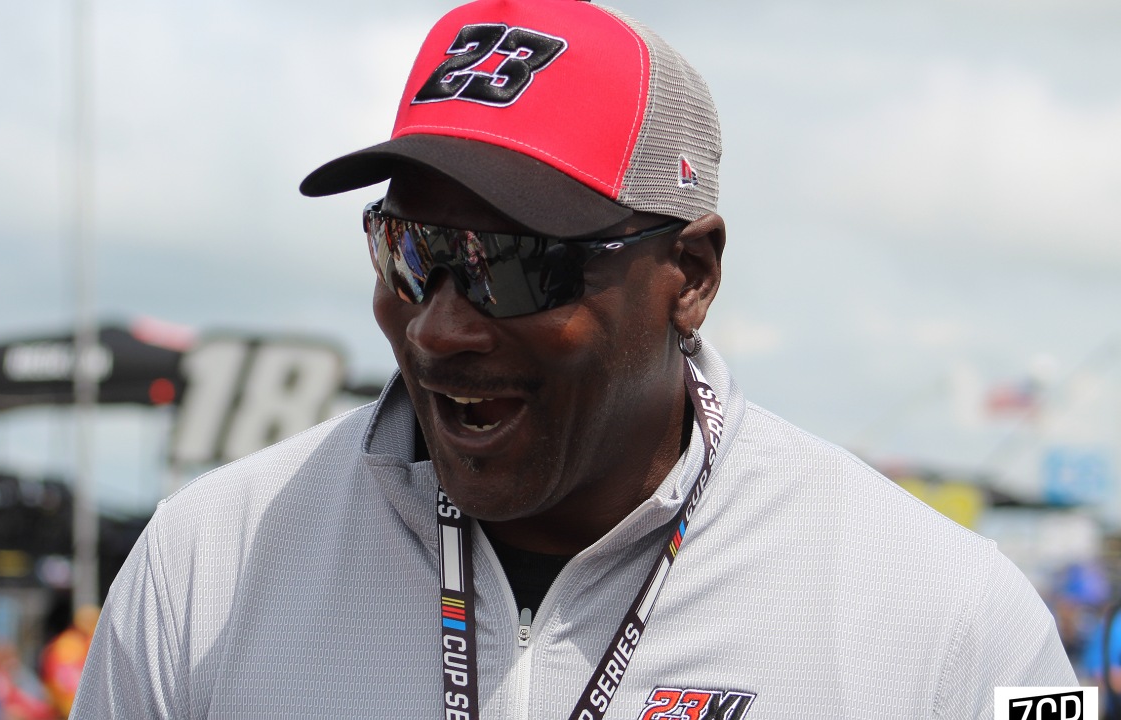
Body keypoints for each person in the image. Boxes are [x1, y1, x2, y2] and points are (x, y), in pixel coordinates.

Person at [72, 0, 1075, 717]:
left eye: (513, 265)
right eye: (410, 252)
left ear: (688, 276)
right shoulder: (207, 563)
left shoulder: (953, 619)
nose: (439, 328)